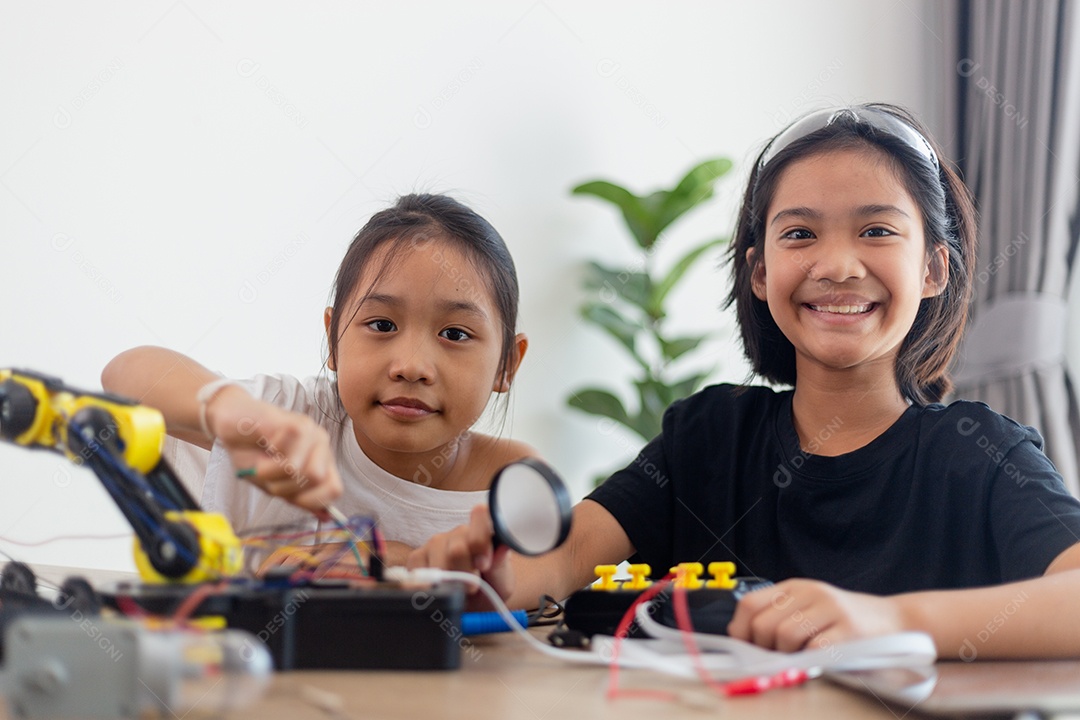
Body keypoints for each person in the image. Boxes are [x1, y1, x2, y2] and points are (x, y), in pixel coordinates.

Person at [408, 104, 1080, 660]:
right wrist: (496, 579)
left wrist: (888, 620)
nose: (838, 264)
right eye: (799, 234)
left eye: (876, 230)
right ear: (760, 274)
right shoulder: (708, 437)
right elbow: (566, 554)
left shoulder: (982, 455)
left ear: (934, 268)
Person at [102, 194, 533, 566]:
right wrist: (230, 411)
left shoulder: (513, 482)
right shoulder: (291, 417)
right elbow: (126, 376)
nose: (411, 366)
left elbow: (529, 593)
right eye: (382, 325)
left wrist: (394, 557)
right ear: (333, 339)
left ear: (505, 366)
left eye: (454, 334)